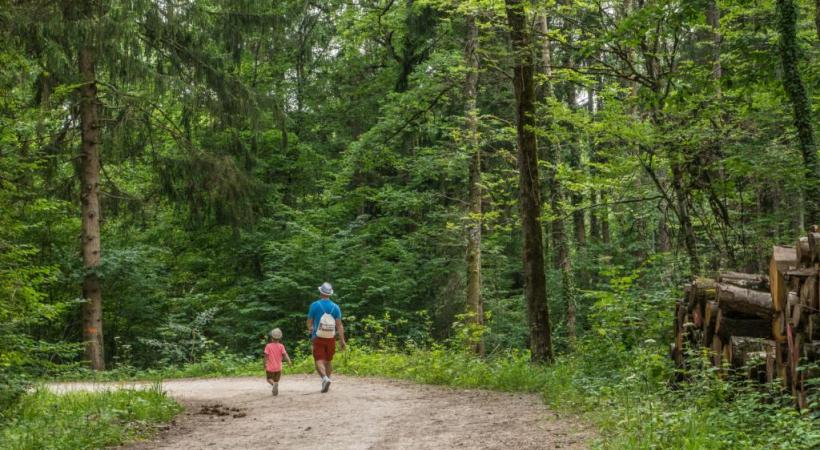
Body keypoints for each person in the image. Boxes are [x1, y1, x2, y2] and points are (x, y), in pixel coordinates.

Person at [307, 282, 346, 393]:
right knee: (328, 361)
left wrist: (310, 328)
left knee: (318, 360)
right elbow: (339, 325)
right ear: (330, 294)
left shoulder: (315, 305)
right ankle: (327, 380)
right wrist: (342, 340)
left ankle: (325, 378)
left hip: (318, 337)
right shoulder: (336, 307)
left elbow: (309, 322)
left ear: (321, 292)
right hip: (331, 337)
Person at [264, 328, 292, 396]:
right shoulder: (281, 346)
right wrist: (289, 361)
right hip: (278, 368)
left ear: (271, 338)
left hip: (270, 368)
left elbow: (266, 356)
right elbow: (285, 354)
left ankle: (273, 385)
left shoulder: (268, 346)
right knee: (276, 380)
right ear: (280, 338)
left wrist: (264, 364)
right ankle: (275, 385)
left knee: (269, 379)